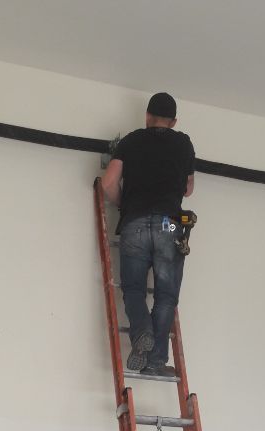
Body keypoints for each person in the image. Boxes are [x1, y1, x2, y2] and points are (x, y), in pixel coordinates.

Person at [101, 92, 195, 375]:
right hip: (169, 224)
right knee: (166, 295)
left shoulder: (131, 141)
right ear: (174, 121)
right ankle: (155, 360)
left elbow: (108, 183)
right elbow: (188, 189)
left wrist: (126, 205)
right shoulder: (183, 144)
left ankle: (141, 331)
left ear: (147, 116)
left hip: (135, 222)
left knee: (133, 289)